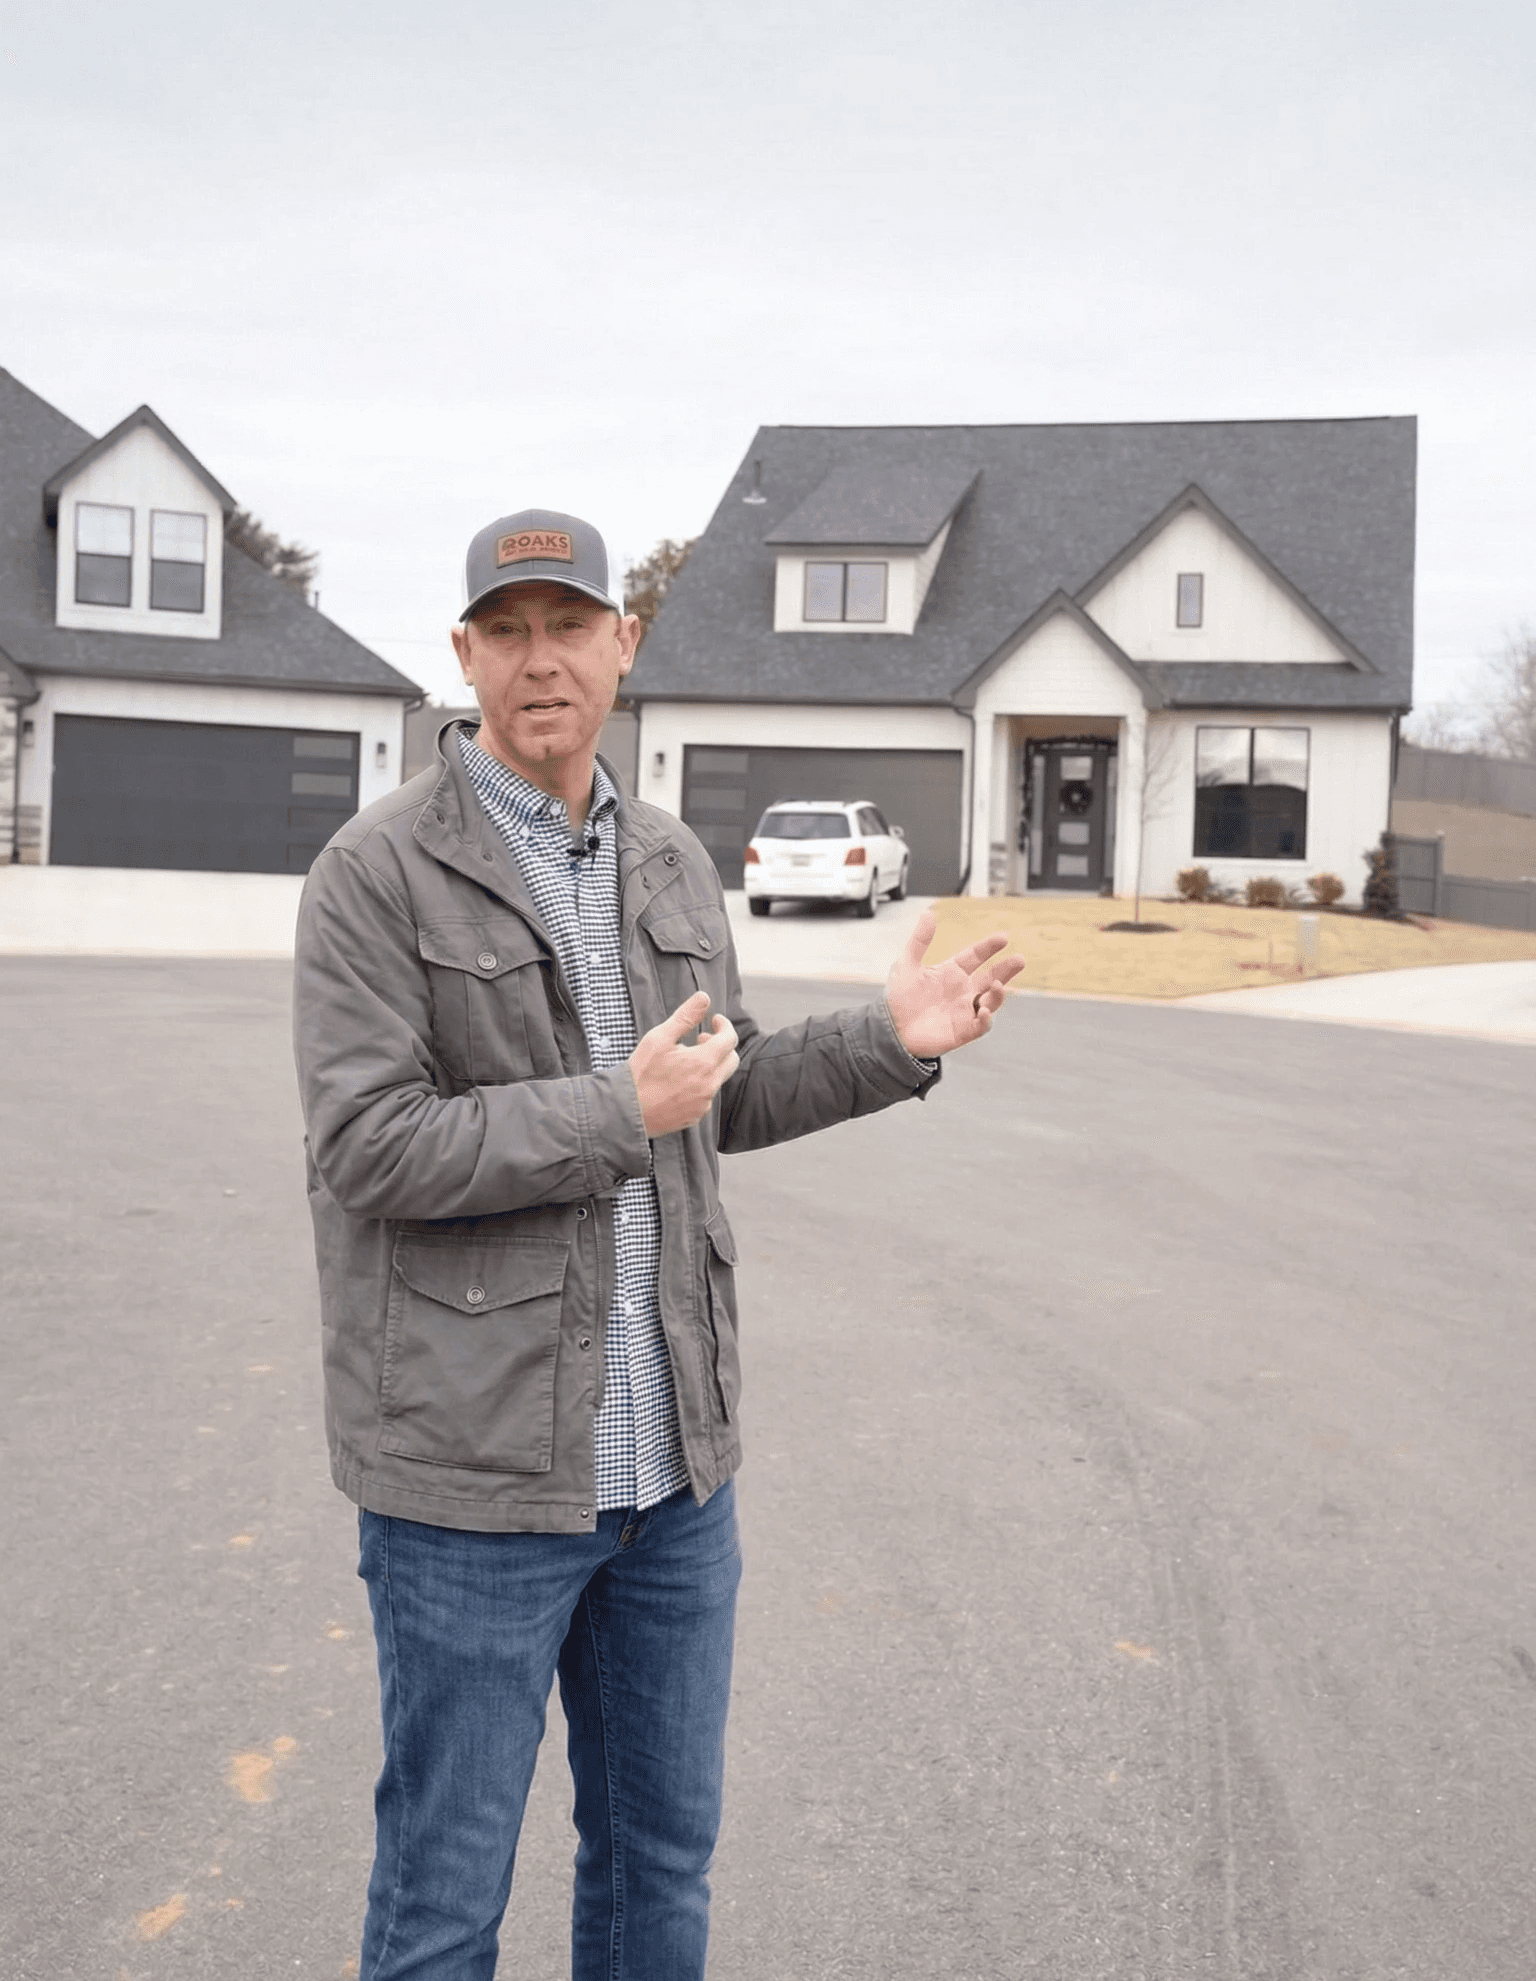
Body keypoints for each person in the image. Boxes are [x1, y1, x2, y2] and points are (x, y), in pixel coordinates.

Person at [292, 508, 1024, 1981]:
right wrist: (609, 1111)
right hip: (473, 1489)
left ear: (626, 646)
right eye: (508, 631)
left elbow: (718, 1093)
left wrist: (889, 1042)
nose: (540, 660)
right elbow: (366, 1148)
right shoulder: (374, 876)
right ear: (464, 656)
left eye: (571, 626)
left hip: (672, 1483)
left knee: (658, 1869)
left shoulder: (677, 863)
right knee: (443, 1899)